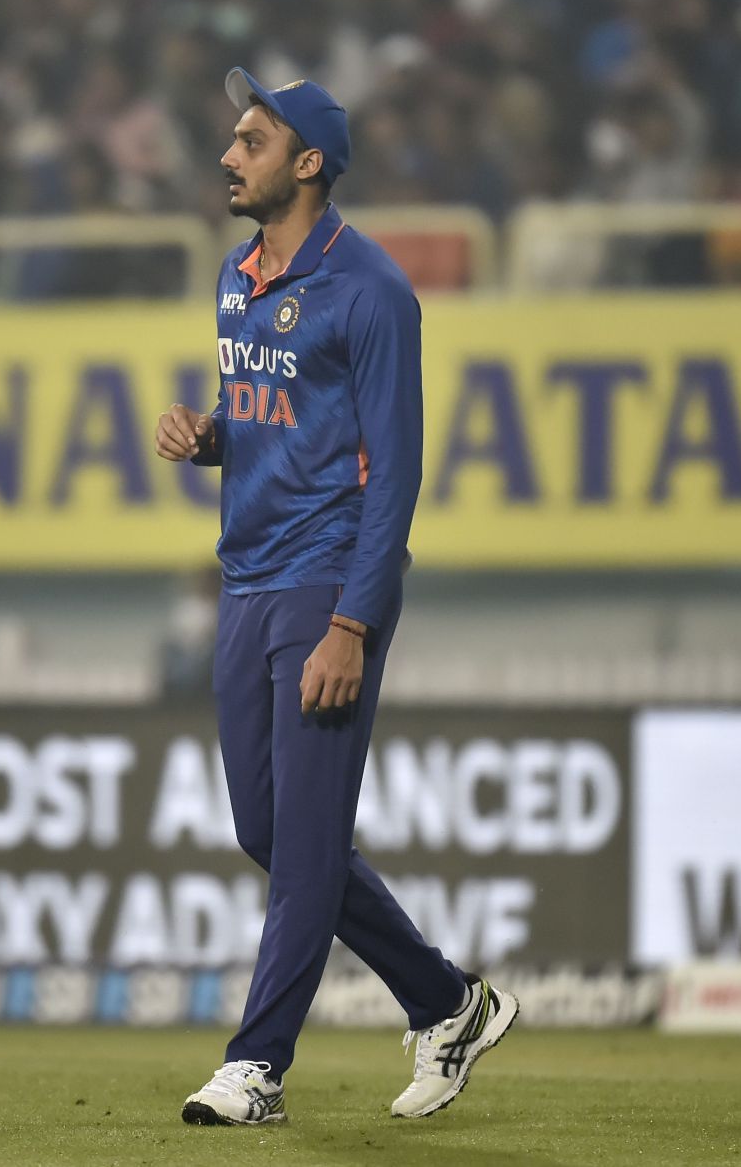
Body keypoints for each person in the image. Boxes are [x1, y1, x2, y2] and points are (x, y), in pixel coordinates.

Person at [153, 68, 518, 1127]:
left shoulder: (373, 292)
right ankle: (448, 1000)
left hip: (328, 584)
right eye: (233, 138)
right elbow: (266, 414)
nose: (229, 155)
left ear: (307, 162)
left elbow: (393, 473)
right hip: (246, 580)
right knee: (270, 828)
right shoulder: (236, 277)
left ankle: (255, 1064)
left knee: (304, 837)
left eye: (252, 141)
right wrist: (208, 435)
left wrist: (353, 622)